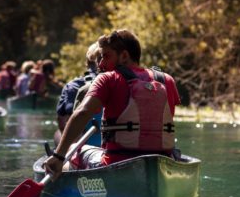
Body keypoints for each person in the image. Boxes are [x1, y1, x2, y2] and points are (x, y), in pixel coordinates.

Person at [43, 29, 181, 179]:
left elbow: (82, 113)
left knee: (73, 149)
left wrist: (58, 155)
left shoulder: (108, 79)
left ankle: (60, 173)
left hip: (115, 164)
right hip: (161, 163)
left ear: (124, 56)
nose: (101, 64)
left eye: (106, 56)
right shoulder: (166, 80)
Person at [55, 42, 101, 132]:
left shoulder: (72, 86)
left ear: (86, 63)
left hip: (80, 141)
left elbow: (62, 122)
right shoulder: (119, 83)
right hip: (111, 141)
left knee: (57, 134)